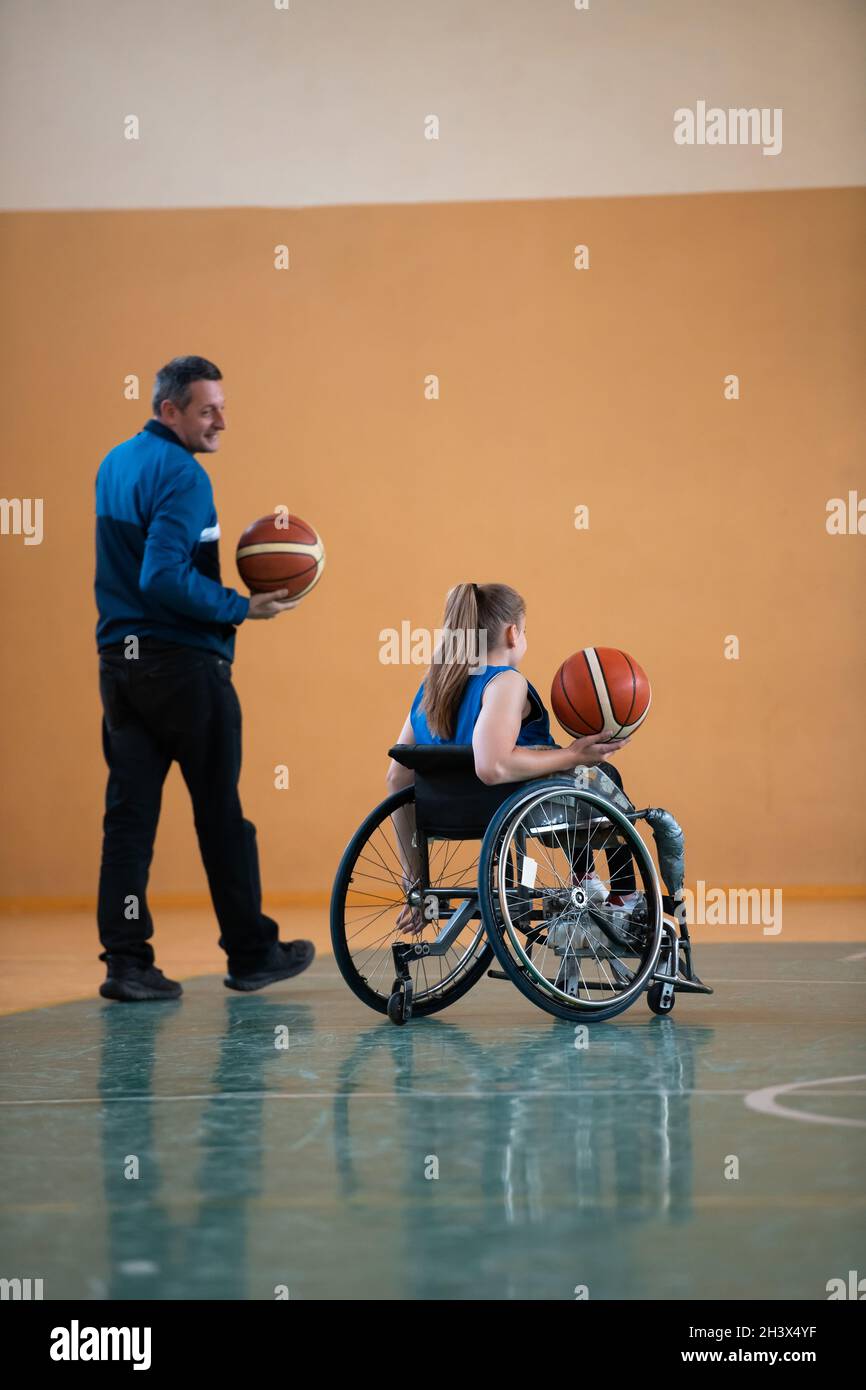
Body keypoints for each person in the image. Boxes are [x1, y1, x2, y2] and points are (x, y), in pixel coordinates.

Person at [94, 354, 315, 1001]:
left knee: (128, 823)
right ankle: (251, 953)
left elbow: (132, 574)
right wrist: (241, 606)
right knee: (221, 816)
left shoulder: (115, 463)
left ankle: (127, 963)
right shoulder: (184, 475)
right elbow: (161, 576)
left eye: (222, 405)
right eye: (207, 409)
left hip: (121, 667)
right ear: (171, 410)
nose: (221, 419)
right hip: (184, 669)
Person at [386, 581, 641, 932]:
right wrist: (571, 755)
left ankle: (587, 876)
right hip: (506, 806)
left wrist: (415, 879)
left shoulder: (433, 687)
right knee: (601, 775)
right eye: (525, 631)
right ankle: (622, 892)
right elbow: (493, 766)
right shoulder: (505, 682)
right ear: (512, 633)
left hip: (443, 812)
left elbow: (397, 779)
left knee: (575, 777)